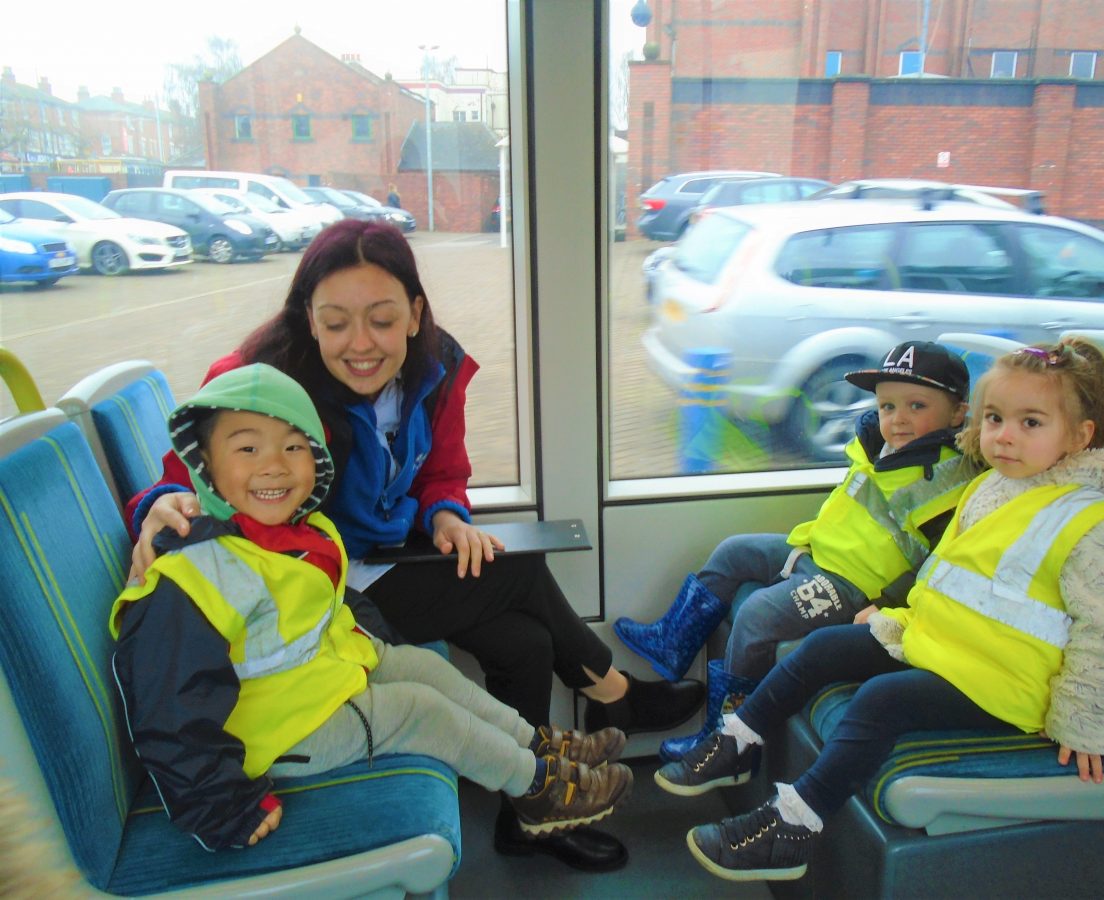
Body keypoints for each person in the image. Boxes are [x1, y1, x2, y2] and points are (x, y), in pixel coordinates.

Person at [123, 219, 702, 870]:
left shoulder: (435, 369)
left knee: (525, 641)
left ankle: (532, 815)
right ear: (307, 319)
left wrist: (448, 518)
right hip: (318, 597)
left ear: (415, 314)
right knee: (518, 574)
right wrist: (156, 508)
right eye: (336, 322)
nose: (361, 343)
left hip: (376, 564)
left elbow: (442, 472)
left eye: (382, 319)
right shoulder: (256, 384)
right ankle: (612, 695)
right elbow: (184, 485)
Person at [655, 337, 1104, 883]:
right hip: (943, 646)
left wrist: (1087, 725)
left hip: (1002, 681)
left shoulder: (1098, 521)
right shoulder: (992, 487)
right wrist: (898, 621)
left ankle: (792, 828)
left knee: (882, 700)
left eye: (1030, 423)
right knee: (822, 648)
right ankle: (736, 742)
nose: (1004, 436)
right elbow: (947, 583)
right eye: (994, 419)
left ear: (1080, 437)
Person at [110, 363, 634, 850]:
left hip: (321, 677)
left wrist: (380, 651)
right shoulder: (197, 573)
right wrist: (222, 807)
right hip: (279, 731)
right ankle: (534, 792)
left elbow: (330, 608)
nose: (274, 466)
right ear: (205, 464)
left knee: (425, 666)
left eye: (294, 448)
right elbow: (168, 703)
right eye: (247, 450)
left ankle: (536, 746)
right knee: (418, 711)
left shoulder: (302, 532)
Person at [615, 341, 978, 760]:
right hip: (814, 550)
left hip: (851, 585)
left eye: (917, 406)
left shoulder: (948, 485)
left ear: (957, 413)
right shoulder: (880, 448)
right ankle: (672, 643)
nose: (897, 420)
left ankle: (730, 743)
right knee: (733, 550)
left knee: (757, 615)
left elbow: (937, 562)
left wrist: (888, 605)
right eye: (887, 407)